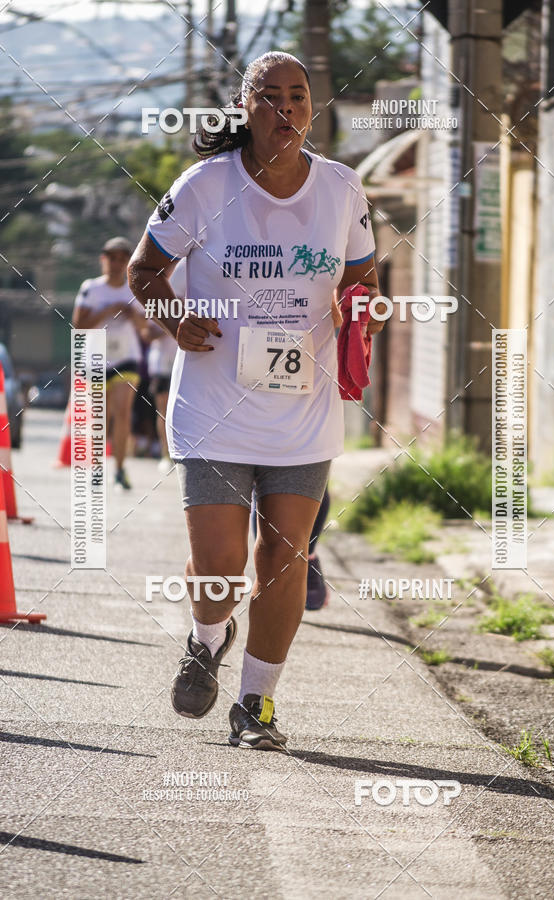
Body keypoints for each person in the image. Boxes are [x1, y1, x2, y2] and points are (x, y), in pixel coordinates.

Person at [128, 50, 383, 751]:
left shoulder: (340, 188)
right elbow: (144, 269)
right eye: (269, 97)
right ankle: (208, 636)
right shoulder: (206, 185)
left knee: (285, 559)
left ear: (311, 107)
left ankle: (256, 706)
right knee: (219, 572)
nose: (286, 109)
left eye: (297, 96)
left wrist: (362, 310)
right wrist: (176, 318)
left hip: (304, 409)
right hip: (214, 405)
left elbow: (361, 275)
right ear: (245, 107)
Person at [72, 236, 143, 490]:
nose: (116, 263)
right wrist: (107, 311)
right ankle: (98, 468)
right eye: (112, 258)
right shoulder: (91, 287)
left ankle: (120, 468)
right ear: (103, 260)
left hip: (127, 358)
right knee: (101, 416)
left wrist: (133, 314)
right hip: (97, 358)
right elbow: (79, 326)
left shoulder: (134, 289)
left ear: (127, 263)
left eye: (122, 259)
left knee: (123, 412)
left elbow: (145, 329)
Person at [145, 260, 182, 473]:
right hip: (161, 363)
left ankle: (183, 453)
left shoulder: (194, 292)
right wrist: (173, 322)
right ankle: (165, 455)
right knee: (164, 410)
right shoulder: (157, 297)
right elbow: (147, 333)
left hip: (187, 359)